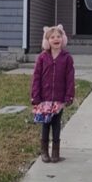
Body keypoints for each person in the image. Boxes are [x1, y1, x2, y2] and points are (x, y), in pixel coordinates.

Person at [30, 24, 75, 163]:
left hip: (59, 99)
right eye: (52, 37)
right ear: (47, 41)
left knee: (56, 124)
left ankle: (56, 151)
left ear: (63, 39)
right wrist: (35, 95)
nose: (56, 39)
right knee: (46, 124)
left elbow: (70, 78)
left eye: (58, 36)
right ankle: (44, 151)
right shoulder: (42, 57)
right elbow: (36, 77)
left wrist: (69, 96)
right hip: (44, 98)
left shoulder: (67, 58)